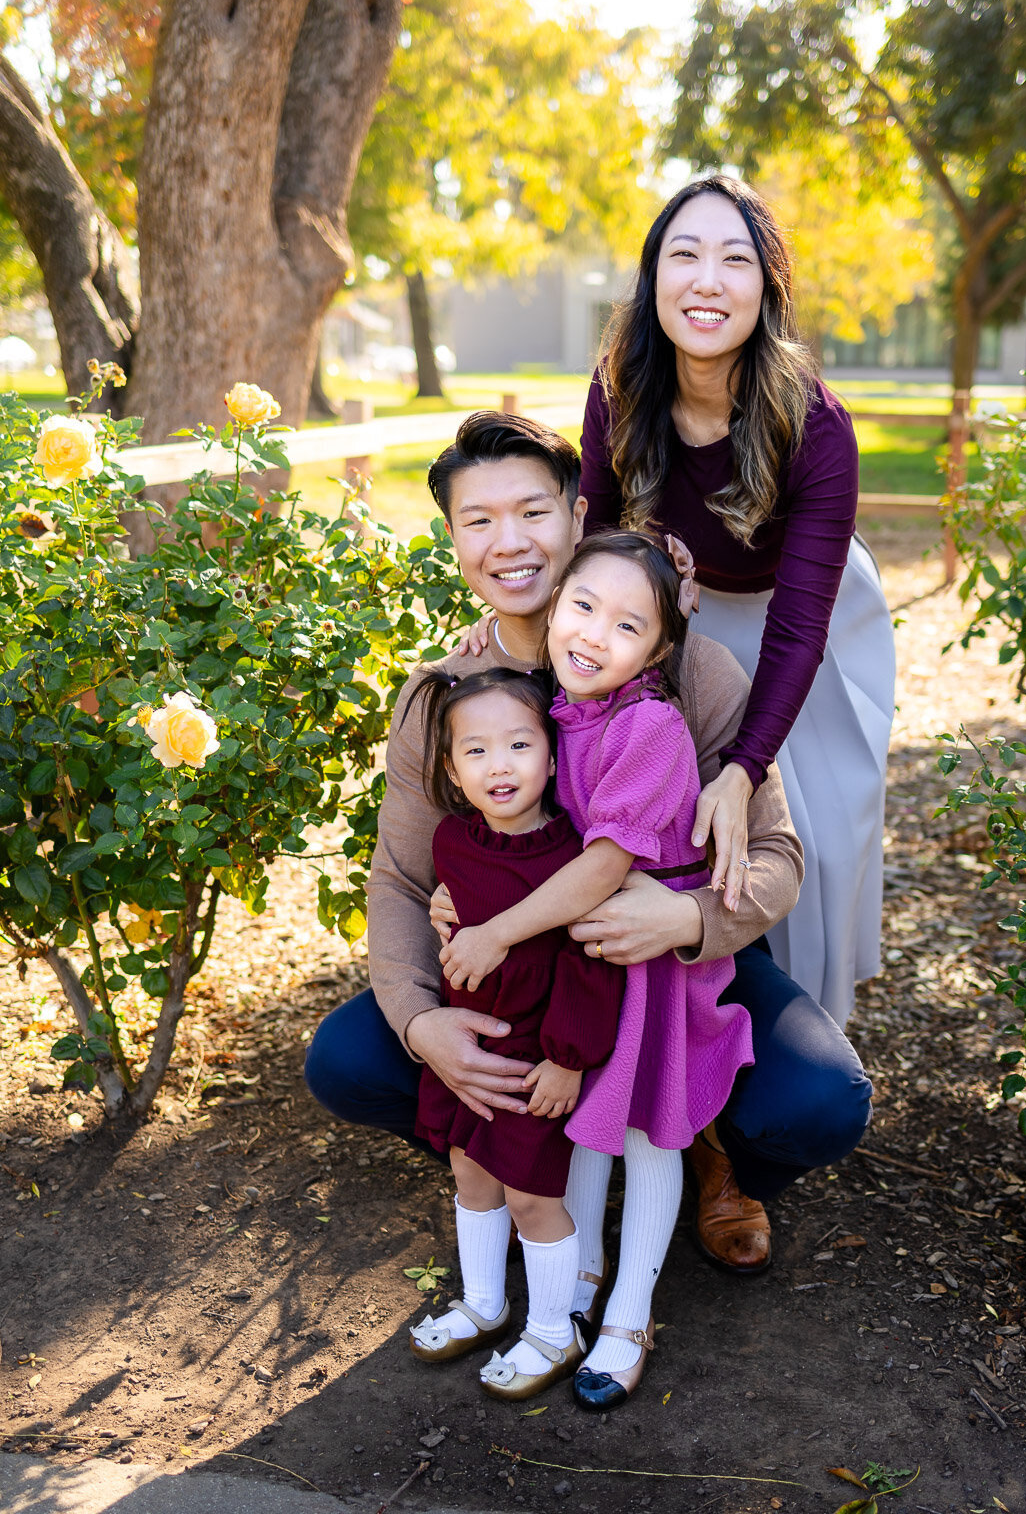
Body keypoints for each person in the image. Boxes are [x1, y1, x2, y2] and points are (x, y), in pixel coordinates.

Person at [304, 413, 871, 1285]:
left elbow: (777, 857)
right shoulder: (442, 695)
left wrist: (685, 916)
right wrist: (422, 1024)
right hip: (521, 973)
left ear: (578, 518)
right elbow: (399, 876)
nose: (508, 543)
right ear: (453, 538)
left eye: (532, 512)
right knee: (350, 1061)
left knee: (820, 1104)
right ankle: (528, 1164)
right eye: (478, 521)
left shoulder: (691, 671)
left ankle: (706, 1151)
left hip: (669, 961)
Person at [440, 529, 755, 1409]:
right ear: (551, 609)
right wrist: (456, 900)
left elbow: (603, 864)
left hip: (646, 964)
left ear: (657, 650)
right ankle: (574, 1279)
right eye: (580, 606)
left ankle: (627, 1313)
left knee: (652, 1135)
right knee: (579, 1116)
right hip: (581, 961)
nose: (591, 635)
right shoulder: (555, 710)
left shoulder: (647, 725)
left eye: (626, 625)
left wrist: (496, 930)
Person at [577, 172, 895, 1031]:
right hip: (692, 610)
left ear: (767, 287)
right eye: (683, 255)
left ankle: (801, 1041)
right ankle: (681, 1042)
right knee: (676, 821)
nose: (706, 280)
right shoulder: (619, 386)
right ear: (652, 281)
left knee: (813, 844)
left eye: (734, 258)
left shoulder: (813, 420)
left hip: (806, 618)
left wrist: (746, 767)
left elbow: (799, 624)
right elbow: (593, 540)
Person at [405, 667, 623, 1401]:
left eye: (518, 745)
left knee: (532, 1196)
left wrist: (567, 1060)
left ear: (553, 756)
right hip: (465, 1043)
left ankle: (555, 1331)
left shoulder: (576, 858)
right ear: (450, 768)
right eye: (475, 751)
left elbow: (591, 965)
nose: (498, 766)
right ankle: (485, 1303)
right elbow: (455, 915)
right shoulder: (451, 843)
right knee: (469, 1169)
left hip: (535, 1053)